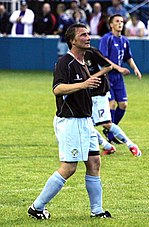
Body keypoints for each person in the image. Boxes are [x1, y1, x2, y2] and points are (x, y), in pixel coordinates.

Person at [28, 23, 112, 220]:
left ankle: (97, 211)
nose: (88, 37)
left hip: (85, 122)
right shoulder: (65, 62)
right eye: (83, 35)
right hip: (70, 122)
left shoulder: (84, 63)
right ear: (72, 40)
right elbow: (57, 89)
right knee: (69, 167)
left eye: (88, 34)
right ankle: (37, 207)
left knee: (94, 162)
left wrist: (88, 84)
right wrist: (84, 84)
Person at [85, 47, 142, 157]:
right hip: (86, 94)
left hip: (99, 92)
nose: (87, 39)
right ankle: (107, 147)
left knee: (106, 123)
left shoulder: (91, 52)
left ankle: (131, 145)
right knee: (85, 125)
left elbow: (108, 66)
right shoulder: (73, 56)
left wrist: (92, 77)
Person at [99, 14, 142, 143]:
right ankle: (111, 134)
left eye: (122, 22)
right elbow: (103, 59)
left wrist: (135, 68)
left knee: (123, 105)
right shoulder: (107, 39)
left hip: (118, 78)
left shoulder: (124, 40)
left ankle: (111, 129)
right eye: (117, 21)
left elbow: (128, 57)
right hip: (107, 76)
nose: (120, 24)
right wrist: (118, 68)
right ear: (111, 24)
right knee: (111, 104)